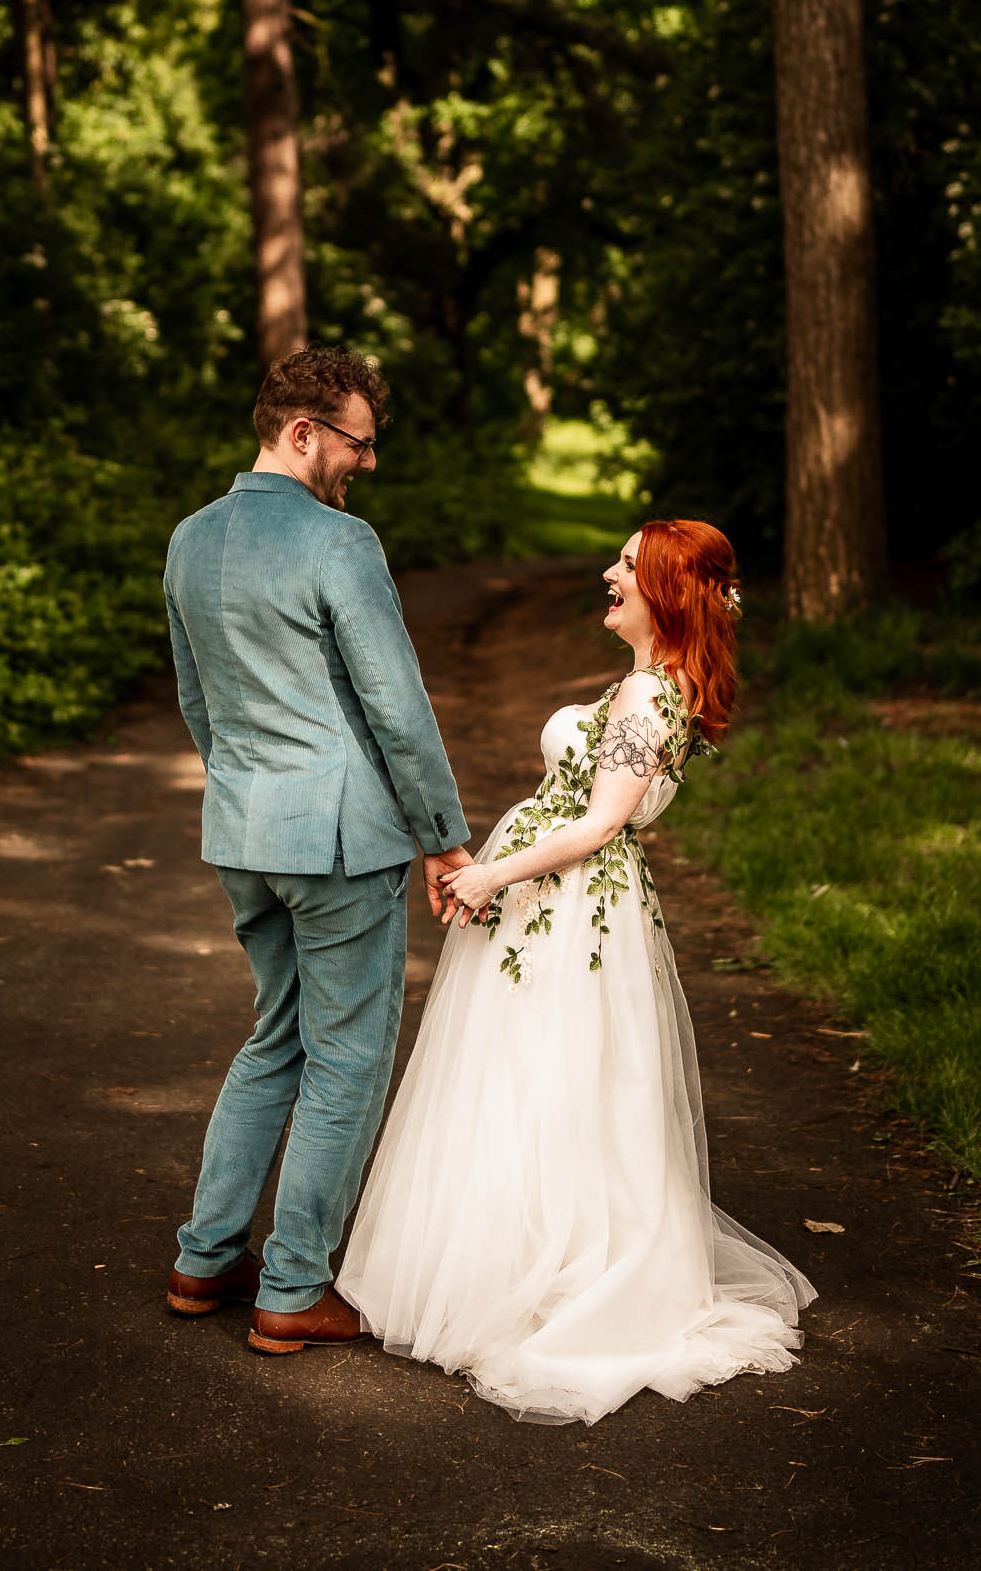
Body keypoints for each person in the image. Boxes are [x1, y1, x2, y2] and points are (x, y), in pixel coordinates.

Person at [337, 519, 816, 1424]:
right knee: (546, 1079)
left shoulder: (646, 696)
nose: (608, 574)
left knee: (549, 1080)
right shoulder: (647, 685)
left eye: (627, 566)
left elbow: (599, 824)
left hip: (570, 907)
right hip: (561, 905)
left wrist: (489, 872)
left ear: (666, 590)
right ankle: (509, 1259)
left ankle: (543, 1276)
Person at [163, 345, 472, 1354]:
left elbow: (198, 701)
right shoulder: (340, 545)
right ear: (302, 433)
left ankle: (204, 1262)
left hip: (244, 832)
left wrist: (250, 790)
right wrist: (444, 836)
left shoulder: (189, 540)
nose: (366, 464)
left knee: (276, 1037)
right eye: (358, 443)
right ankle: (293, 1288)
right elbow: (396, 705)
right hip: (340, 844)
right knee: (346, 1059)